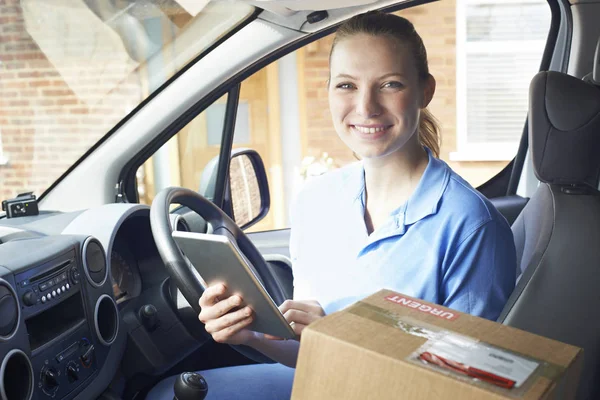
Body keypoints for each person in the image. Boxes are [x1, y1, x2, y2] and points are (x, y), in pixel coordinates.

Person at [146, 10, 516, 400]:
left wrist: (343, 336)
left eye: (390, 84)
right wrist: (253, 335)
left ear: (425, 91)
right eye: (346, 86)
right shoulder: (315, 202)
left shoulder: (472, 225)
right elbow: (308, 349)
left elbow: (469, 384)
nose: (366, 107)